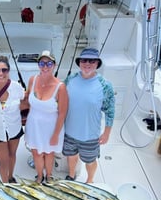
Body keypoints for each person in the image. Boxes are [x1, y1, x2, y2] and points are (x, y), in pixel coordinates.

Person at [63, 47, 115, 183]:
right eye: (84, 60)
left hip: (90, 135)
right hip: (69, 132)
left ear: (97, 64)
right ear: (79, 63)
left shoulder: (105, 85)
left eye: (92, 61)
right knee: (71, 156)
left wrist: (106, 133)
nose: (87, 64)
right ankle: (71, 175)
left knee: (90, 161)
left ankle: (90, 181)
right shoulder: (70, 79)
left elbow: (110, 111)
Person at [25, 50, 68, 183]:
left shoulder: (60, 87)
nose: (45, 67)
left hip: (51, 128)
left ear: (54, 65)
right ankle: (39, 176)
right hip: (34, 126)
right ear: (38, 64)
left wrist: (56, 134)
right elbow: (27, 98)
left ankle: (49, 176)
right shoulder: (32, 80)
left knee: (49, 153)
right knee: (36, 153)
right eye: (42, 63)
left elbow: (62, 113)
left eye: (49, 63)